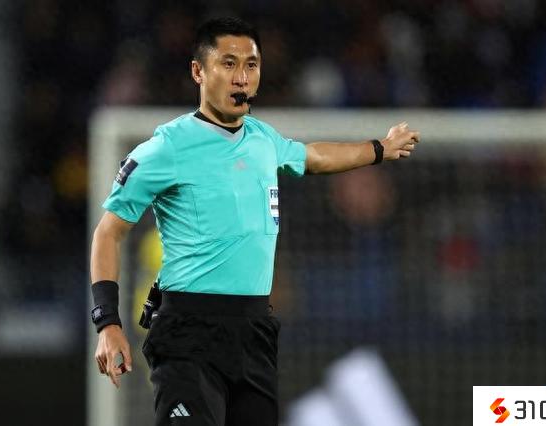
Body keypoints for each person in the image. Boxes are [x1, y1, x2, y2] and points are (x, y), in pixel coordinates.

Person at [90, 16, 420, 426]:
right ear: (198, 72)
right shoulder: (164, 149)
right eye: (228, 64)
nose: (241, 77)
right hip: (188, 333)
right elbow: (108, 232)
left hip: (253, 331)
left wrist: (379, 149)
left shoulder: (263, 140)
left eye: (251, 65)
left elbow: (314, 156)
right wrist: (107, 323)